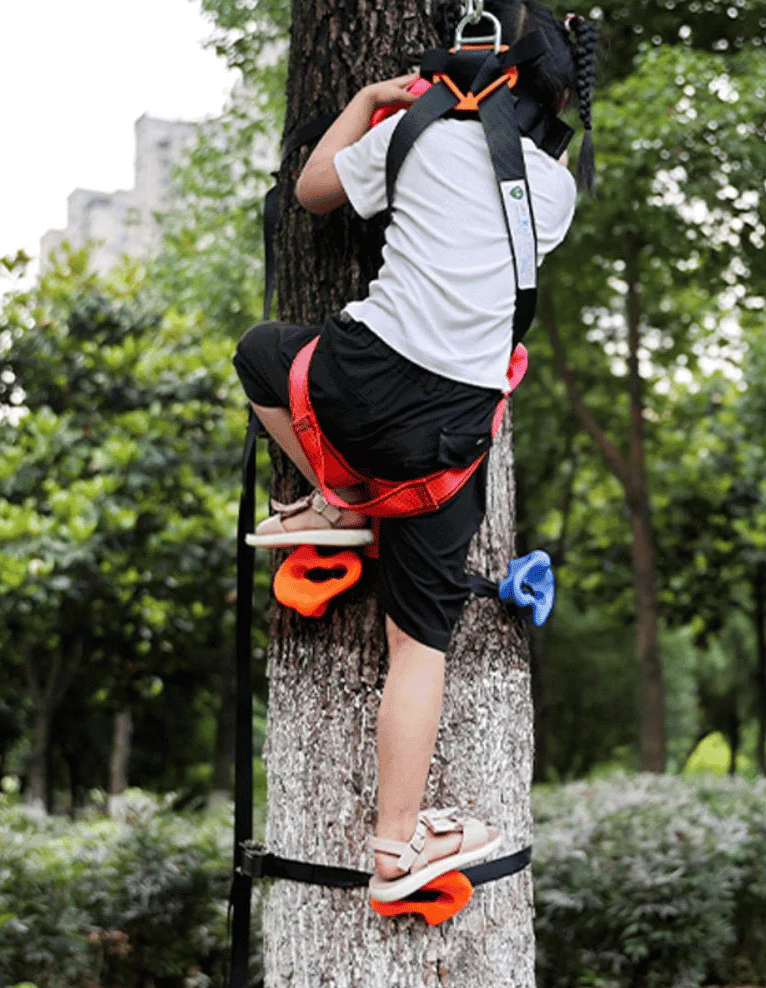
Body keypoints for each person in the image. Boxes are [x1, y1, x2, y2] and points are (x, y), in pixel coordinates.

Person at [233, 0, 596, 902]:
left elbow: (312, 191)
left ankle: (338, 495)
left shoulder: (417, 138)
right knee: (419, 645)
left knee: (262, 354)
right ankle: (395, 850)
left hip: (359, 383)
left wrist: (364, 102)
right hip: (453, 437)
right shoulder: (556, 193)